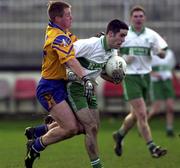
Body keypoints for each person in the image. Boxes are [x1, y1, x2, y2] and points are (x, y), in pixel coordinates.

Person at [25, 16, 129, 168]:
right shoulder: (88, 45)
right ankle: (97, 166)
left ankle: (38, 135)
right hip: (75, 87)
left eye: (125, 36)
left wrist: (113, 78)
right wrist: (76, 76)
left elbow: (100, 71)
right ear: (110, 34)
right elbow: (65, 58)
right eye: (121, 35)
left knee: (88, 128)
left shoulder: (113, 52)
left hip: (89, 88)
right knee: (90, 127)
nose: (123, 40)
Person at [24, 1, 95, 168]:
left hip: (60, 85)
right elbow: (71, 60)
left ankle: (38, 131)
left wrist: (97, 42)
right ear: (57, 18)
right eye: (68, 15)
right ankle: (35, 146)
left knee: (80, 127)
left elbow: (77, 45)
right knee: (71, 128)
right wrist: (85, 79)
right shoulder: (58, 37)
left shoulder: (61, 32)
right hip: (49, 88)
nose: (72, 17)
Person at [112, 5, 168, 158]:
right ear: (131, 18)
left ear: (145, 18)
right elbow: (112, 54)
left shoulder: (151, 35)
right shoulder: (124, 34)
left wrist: (159, 52)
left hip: (146, 77)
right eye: (135, 16)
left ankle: (120, 134)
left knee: (135, 114)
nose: (138, 18)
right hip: (130, 77)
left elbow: (164, 53)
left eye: (140, 16)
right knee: (143, 114)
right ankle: (152, 148)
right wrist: (124, 59)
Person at [148, 47, 176, 137]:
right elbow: (145, 66)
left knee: (170, 107)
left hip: (167, 81)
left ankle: (169, 129)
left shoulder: (170, 53)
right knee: (156, 109)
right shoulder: (152, 52)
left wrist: (174, 77)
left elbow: (172, 67)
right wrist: (153, 73)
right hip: (156, 82)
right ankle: (143, 125)